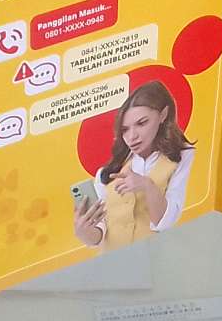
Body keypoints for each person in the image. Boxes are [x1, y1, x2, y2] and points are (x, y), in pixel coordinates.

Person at [73, 80, 194, 250]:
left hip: (158, 258)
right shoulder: (108, 172)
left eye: (142, 123)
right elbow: (101, 232)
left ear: (163, 114)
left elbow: (165, 222)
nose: (132, 137)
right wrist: (85, 233)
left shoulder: (183, 156)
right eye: (125, 130)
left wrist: (147, 185)